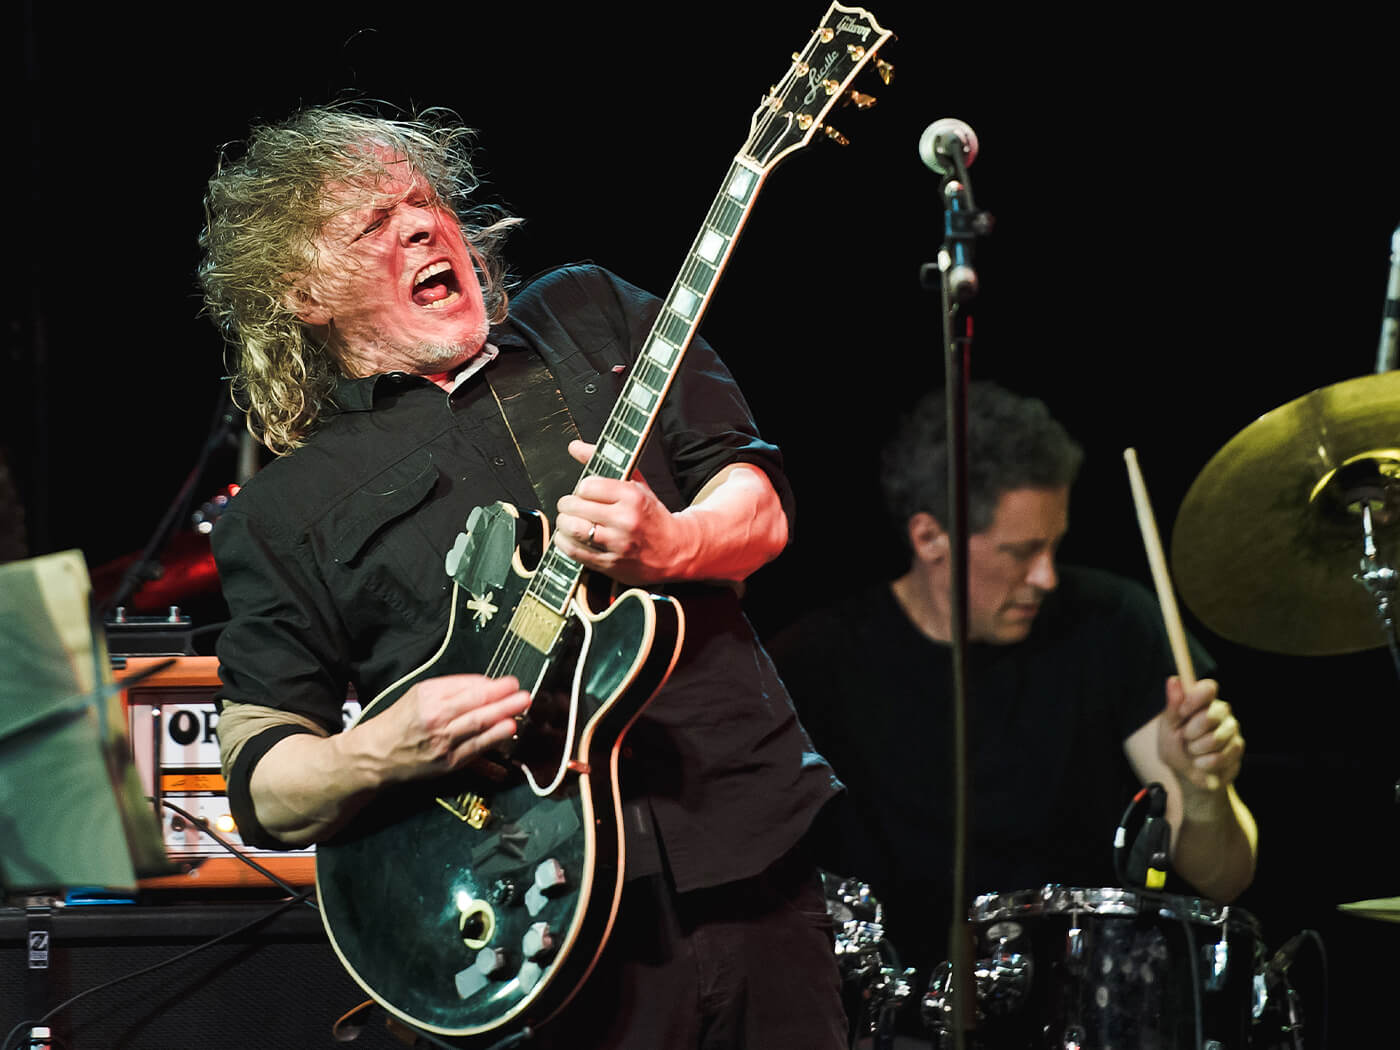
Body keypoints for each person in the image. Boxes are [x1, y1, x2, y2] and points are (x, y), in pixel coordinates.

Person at [198, 104, 845, 1050]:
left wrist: (674, 543)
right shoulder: (285, 508)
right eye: (373, 225)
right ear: (305, 294)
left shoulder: (589, 314)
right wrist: (381, 750)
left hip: (745, 852)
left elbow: (760, 502)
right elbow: (262, 778)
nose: (422, 226)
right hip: (525, 921)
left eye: (424, 203)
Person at [768, 381, 1258, 1040]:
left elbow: (1223, 880)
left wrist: (1202, 793)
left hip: (1082, 1017)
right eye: (1022, 551)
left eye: (1054, 546)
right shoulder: (812, 664)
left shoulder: (1116, 623)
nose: (1047, 577)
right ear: (929, 537)